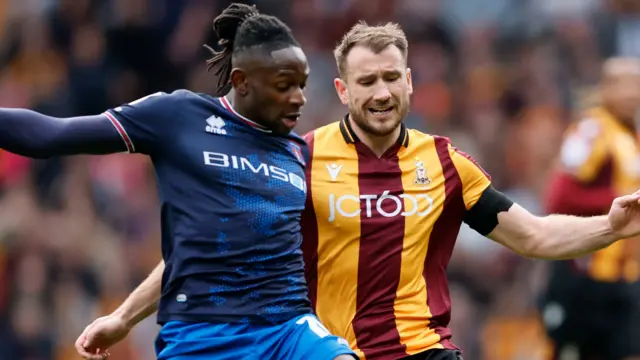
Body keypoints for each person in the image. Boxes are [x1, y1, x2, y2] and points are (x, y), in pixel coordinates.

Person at [75, 22, 640, 360]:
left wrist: (611, 226)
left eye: (392, 77)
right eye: (367, 80)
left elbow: (535, 235)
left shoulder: (445, 163)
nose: (381, 92)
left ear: (411, 83)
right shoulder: (297, 159)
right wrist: (125, 317)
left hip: (423, 351)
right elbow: (205, 255)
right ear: (343, 89)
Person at [0, 3, 356, 360]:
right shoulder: (178, 117)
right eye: (284, 86)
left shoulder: (297, 152)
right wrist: (125, 317)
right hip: (204, 333)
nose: (300, 98)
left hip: (288, 330)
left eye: (302, 85)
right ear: (242, 81)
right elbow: (51, 135)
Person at [540, 57, 640, 360]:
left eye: (637, 85)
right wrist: (618, 198)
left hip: (625, 277)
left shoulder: (630, 136)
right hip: (587, 274)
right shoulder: (591, 131)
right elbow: (559, 196)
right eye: (624, 84)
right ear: (606, 88)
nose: (633, 92)